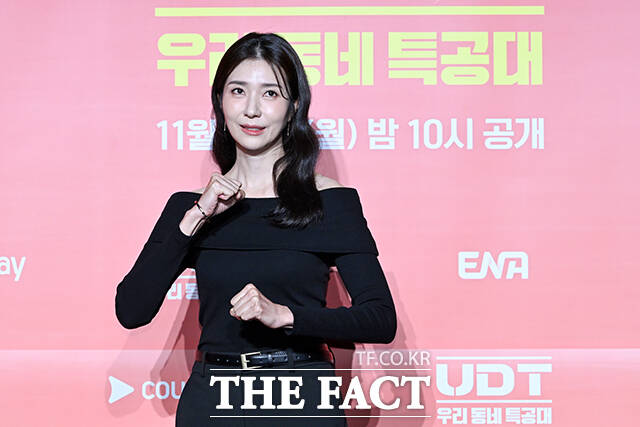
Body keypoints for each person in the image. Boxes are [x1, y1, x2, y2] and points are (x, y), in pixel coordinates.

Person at [115, 32, 397, 426]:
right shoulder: (190, 207)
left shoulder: (329, 201)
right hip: (213, 399)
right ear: (220, 101)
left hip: (301, 396)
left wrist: (286, 315)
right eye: (238, 91)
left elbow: (379, 319)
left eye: (269, 94)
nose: (251, 110)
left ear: (293, 106)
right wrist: (196, 217)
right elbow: (131, 310)